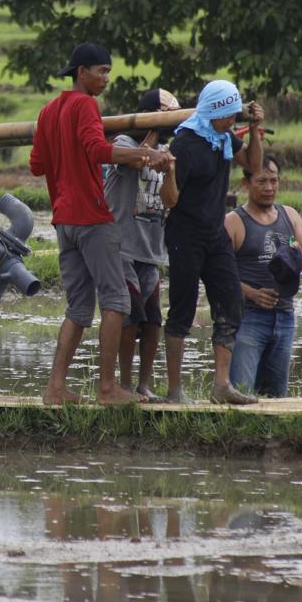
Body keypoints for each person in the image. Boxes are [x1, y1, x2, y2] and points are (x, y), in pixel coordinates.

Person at [29, 43, 170, 406]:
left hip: (64, 221)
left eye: (108, 71)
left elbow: (37, 165)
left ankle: (55, 388)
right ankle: (108, 388)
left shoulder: (48, 111)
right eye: (101, 71)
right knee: (117, 302)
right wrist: (146, 154)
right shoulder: (85, 105)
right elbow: (97, 150)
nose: (106, 79)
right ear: (81, 72)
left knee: (77, 308)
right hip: (92, 217)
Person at [159, 79, 265, 405]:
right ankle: (175, 390)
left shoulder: (222, 137)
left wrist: (256, 128)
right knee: (182, 308)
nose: (232, 120)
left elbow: (254, 166)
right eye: (227, 115)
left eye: (236, 114)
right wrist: (169, 173)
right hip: (184, 235)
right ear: (212, 111)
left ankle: (222, 385)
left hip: (214, 233)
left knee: (231, 302)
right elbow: (170, 201)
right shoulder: (186, 144)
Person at [103, 88, 183, 401]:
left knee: (152, 321)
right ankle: (123, 382)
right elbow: (134, 164)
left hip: (152, 249)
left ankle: (143, 383)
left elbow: (171, 200)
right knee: (128, 315)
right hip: (121, 246)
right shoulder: (125, 143)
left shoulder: (165, 150)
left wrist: (171, 170)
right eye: (167, 114)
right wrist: (154, 136)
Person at [225, 154, 302, 397]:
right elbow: (219, 277)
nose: (269, 188)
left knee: (277, 397)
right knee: (242, 392)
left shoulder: (290, 216)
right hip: (249, 317)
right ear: (246, 183)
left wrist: (297, 255)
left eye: (274, 181)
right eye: (261, 181)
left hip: (285, 315)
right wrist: (253, 294)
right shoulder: (233, 222)